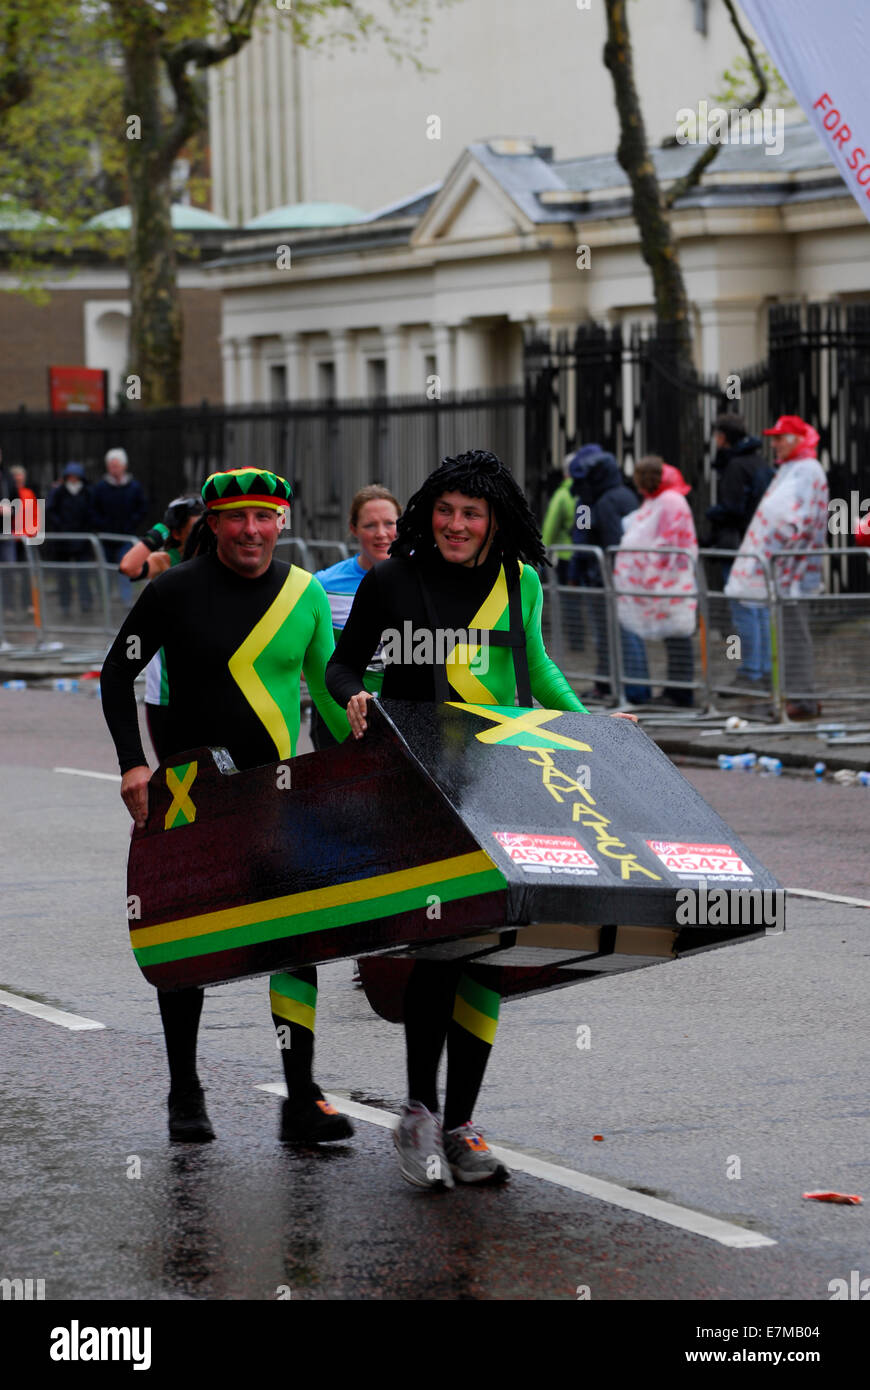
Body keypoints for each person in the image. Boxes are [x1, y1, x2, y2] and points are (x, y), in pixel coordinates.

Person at [326, 448, 635, 1191]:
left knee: (487, 953)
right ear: (426, 512)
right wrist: (352, 697)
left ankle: (462, 1125)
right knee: (439, 946)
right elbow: (344, 665)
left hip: (500, 780)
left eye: (472, 514)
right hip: (420, 785)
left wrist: (593, 727)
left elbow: (537, 668)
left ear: (495, 522)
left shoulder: (518, 582)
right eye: (446, 511)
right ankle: (419, 1113)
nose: (457, 525)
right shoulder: (394, 580)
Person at [101, 467, 354, 1144]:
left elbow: (329, 688)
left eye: (264, 517)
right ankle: (185, 1089)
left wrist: (367, 743)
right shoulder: (174, 590)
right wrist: (132, 762)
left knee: (294, 940)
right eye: (236, 518)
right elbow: (116, 670)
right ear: (211, 526)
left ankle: (300, 1098)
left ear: (282, 522)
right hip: (190, 791)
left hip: (274, 789)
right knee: (187, 939)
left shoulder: (304, 593)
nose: (251, 530)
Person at [725, 415, 828, 720]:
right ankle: (794, 696)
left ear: (797, 440)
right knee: (786, 634)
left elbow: (790, 518)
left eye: (781, 438)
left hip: (793, 571)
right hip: (786, 570)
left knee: (793, 635)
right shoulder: (795, 469)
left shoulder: (806, 470)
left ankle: (802, 699)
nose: (775, 444)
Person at [310, 484, 401, 751]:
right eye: (370, 525)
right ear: (353, 529)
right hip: (340, 716)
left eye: (389, 523)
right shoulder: (324, 585)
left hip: (405, 713)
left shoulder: (421, 579)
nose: (382, 534)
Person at [119, 494, 206, 755]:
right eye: (195, 530)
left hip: (209, 690)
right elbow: (129, 566)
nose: (202, 536)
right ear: (178, 534)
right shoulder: (166, 561)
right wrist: (161, 529)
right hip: (167, 692)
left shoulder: (218, 563)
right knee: (174, 780)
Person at [614, 457, 698, 707]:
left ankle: (682, 692)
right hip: (663, 582)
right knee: (673, 636)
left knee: (678, 635)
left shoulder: (670, 501)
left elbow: (669, 541)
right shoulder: (659, 500)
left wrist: (652, 571)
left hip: (671, 581)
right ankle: (676, 689)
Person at [706, 414, 775, 697]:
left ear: (723, 437)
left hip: (739, 545)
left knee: (744, 610)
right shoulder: (760, 464)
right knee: (759, 609)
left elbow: (733, 508)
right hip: (758, 544)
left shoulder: (735, 466)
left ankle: (751, 672)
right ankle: (764, 669)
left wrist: (713, 514)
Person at [567, 445, 639, 699]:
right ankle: (615, 685)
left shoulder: (593, 502)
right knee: (618, 634)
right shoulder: (624, 494)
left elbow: (585, 541)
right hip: (619, 577)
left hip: (602, 578)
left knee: (608, 635)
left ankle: (615, 686)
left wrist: (576, 573)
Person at [91, 448, 147, 605]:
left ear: (124, 466)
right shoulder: (101, 487)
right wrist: (102, 525)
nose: (114, 468)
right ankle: (105, 602)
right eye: (111, 465)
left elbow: (142, 508)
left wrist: (131, 523)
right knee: (105, 571)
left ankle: (126, 602)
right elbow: (93, 509)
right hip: (106, 536)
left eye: (116, 465)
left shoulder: (134, 487)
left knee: (126, 568)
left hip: (125, 535)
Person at [45, 462, 94, 617]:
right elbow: (50, 511)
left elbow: (92, 512)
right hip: (63, 542)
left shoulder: (87, 492)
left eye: (76, 476)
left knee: (84, 575)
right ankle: (65, 604)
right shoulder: (58, 492)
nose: (73, 479)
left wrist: (85, 528)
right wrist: (61, 527)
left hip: (82, 540)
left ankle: (86, 602)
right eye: (70, 476)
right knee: (63, 576)